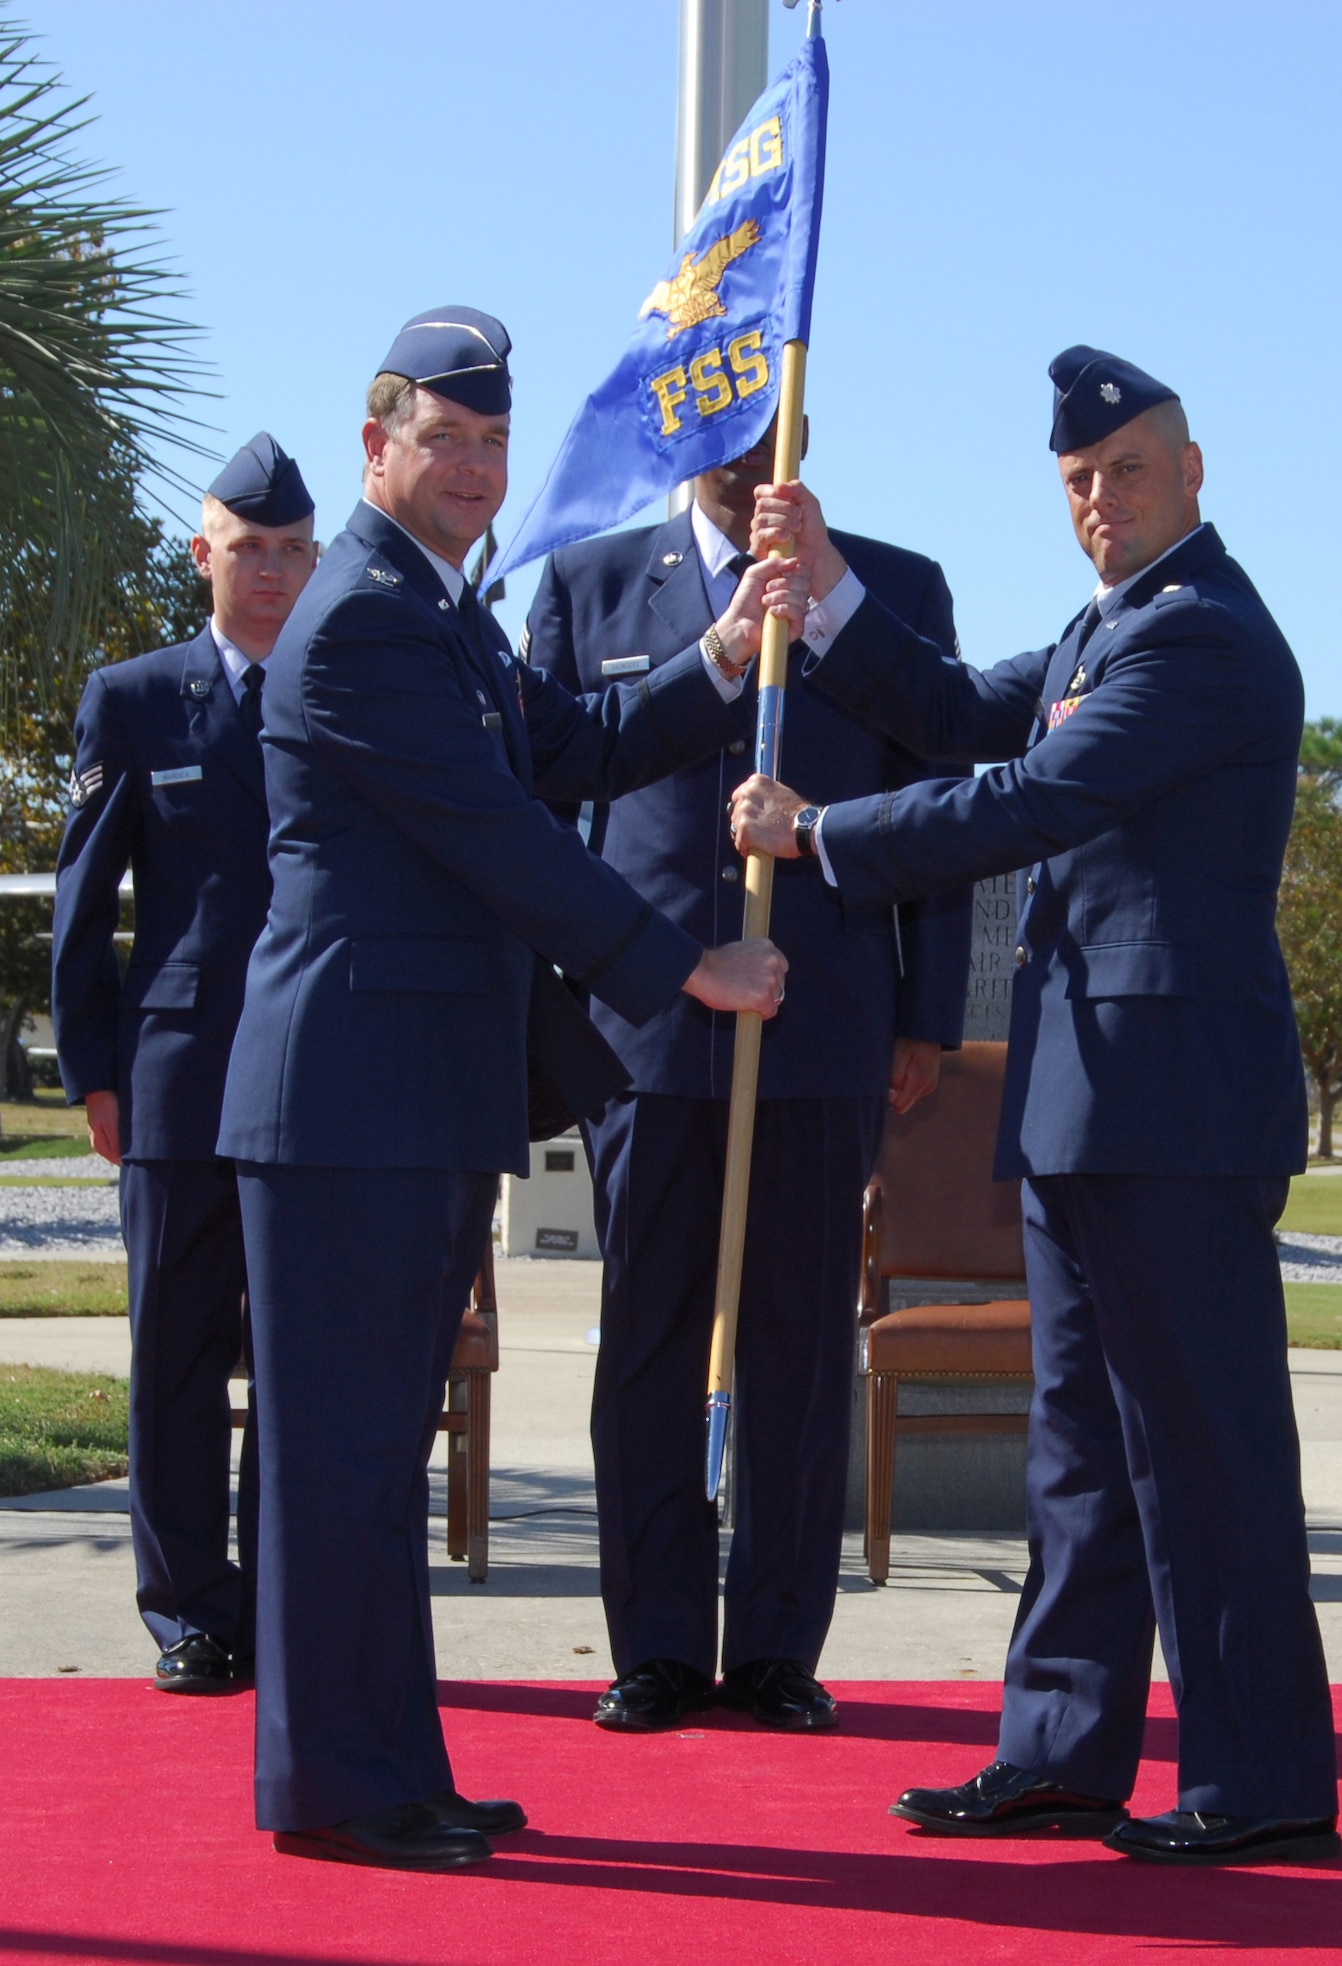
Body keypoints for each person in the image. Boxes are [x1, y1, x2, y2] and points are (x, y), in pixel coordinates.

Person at [730, 347, 1338, 1867]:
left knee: (1204, 1452)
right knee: (1080, 1452)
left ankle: (1261, 1774)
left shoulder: (1202, 635)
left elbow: (1035, 797)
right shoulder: (1102, 628)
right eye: (1076, 480)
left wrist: (820, 833)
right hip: (1088, 1097)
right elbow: (951, 707)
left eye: (1126, 470)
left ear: (1190, 474)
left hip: (1174, 1104)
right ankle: (1062, 1753)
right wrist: (825, 578)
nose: (1099, 499)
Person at [215, 307, 793, 1872]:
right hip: (348, 1096)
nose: (474, 467)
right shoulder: (363, 619)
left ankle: (390, 1763)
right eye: (444, 438)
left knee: (372, 1454)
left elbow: (572, 746)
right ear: (375, 445)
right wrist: (685, 964)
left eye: (492, 442)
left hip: (410, 1092)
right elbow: (501, 834)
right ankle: (337, 1783)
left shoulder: (439, 610)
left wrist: (721, 651)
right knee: (340, 1462)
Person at [525, 416, 971, 1737]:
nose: (743, 453)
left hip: (827, 1017)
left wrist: (926, 1013)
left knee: (797, 1340)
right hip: (649, 1029)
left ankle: (776, 1643)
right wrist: (567, 994)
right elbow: (540, 814)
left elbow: (935, 805)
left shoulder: (890, 587)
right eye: (717, 429)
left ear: (804, 429)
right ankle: (658, 1644)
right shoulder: (589, 586)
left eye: (765, 425)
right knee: (649, 1336)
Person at [53, 435, 316, 1695]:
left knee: (301, 1362)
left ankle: (286, 1606)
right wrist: (92, 1070)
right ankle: (190, 1614)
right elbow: (83, 899)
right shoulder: (134, 697)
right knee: (174, 1353)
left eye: (290, 551)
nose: (268, 571)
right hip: (175, 1077)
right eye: (246, 548)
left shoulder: (343, 690)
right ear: (202, 554)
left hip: (319, 1077)